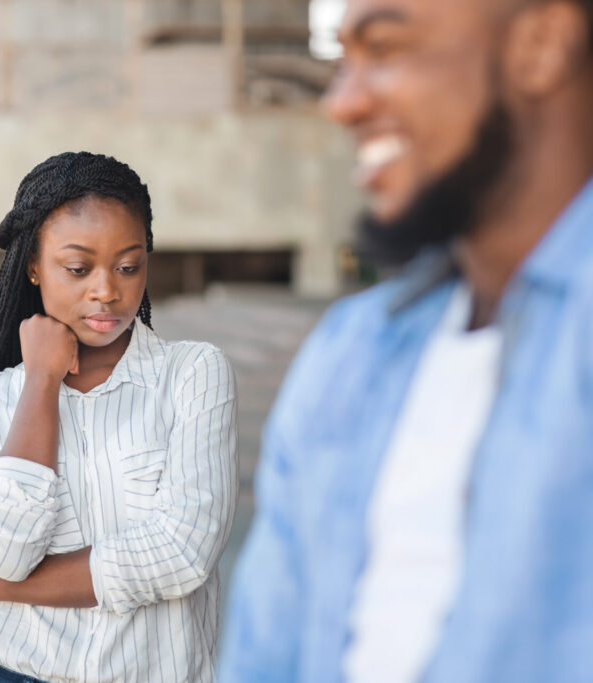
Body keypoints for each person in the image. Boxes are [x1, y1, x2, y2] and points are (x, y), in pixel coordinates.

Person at [218, 0, 593, 681]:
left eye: (385, 50)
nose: (342, 103)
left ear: (541, 46)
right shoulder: (350, 354)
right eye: (342, 61)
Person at [0, 152, 238, 683]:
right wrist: (40, 382)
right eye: (78, 269)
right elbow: (2, 553)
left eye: (129, 266)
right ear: (34, 264)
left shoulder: (192, 374)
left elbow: (183, 554)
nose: (106, 290)